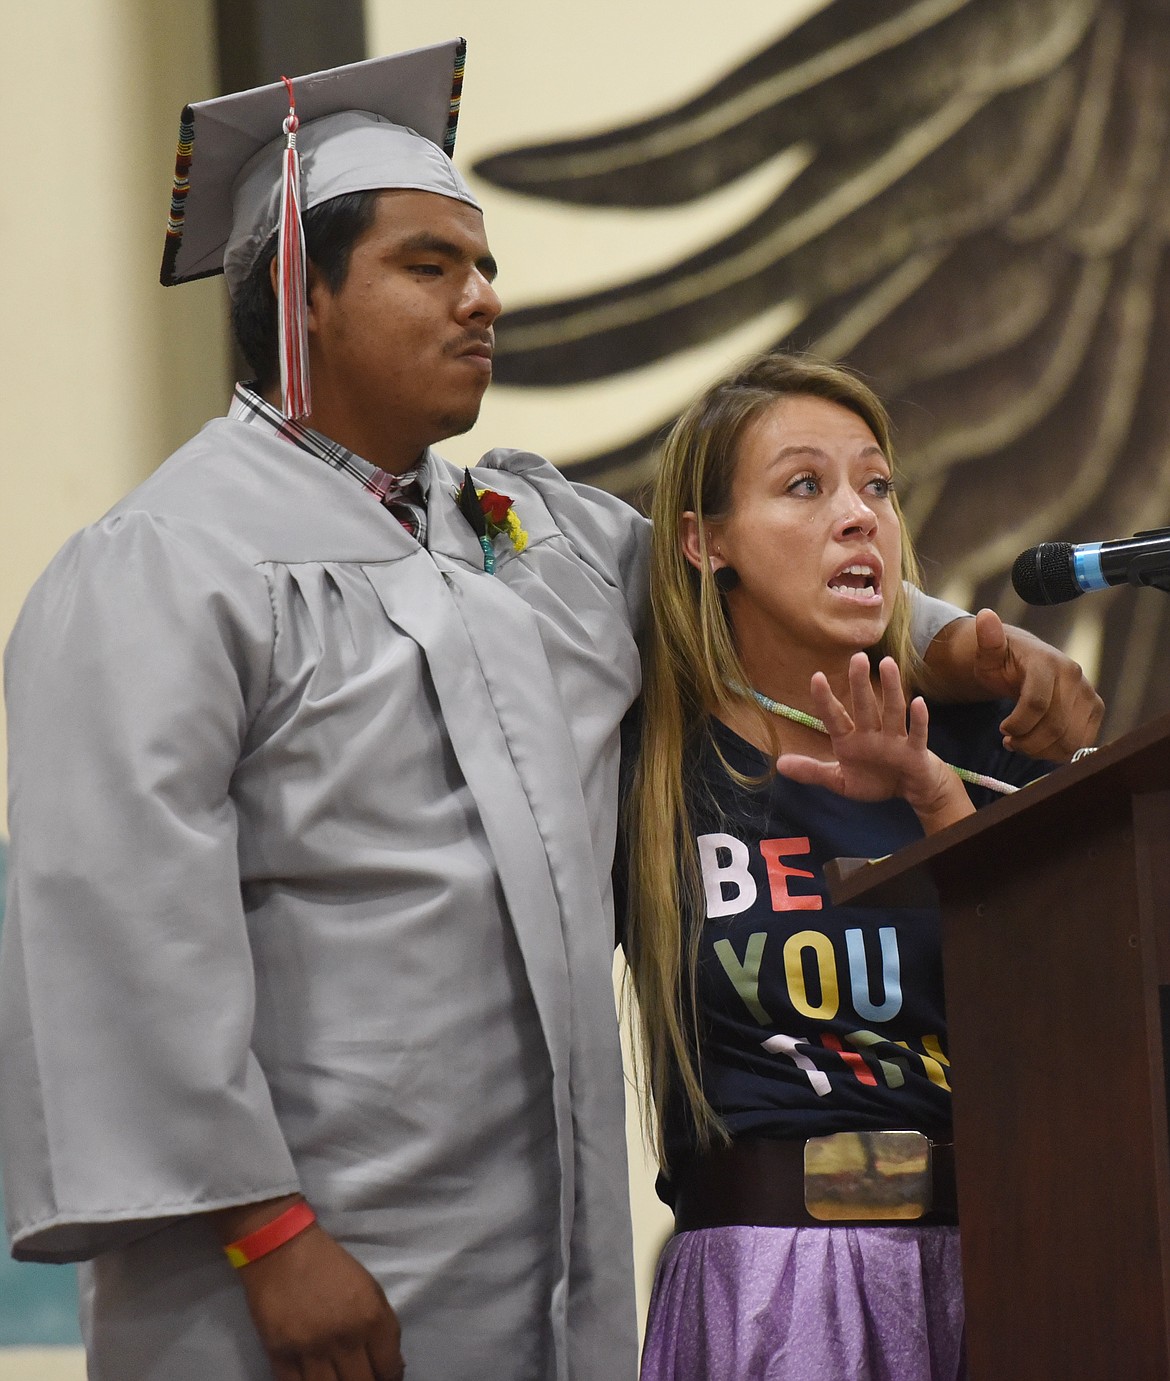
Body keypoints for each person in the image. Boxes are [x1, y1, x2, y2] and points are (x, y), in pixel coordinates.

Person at [0, 45, 1099, 1381]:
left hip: (541, 1247)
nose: (483, 299)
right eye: (429, 266)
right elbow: (121, 915)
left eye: (486, 267)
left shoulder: (526, 532)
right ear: (302, 292)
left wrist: (973, 652)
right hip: (299, 1251)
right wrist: (269, 1233)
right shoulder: (167, 564)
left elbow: (736, 575)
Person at [623, 352, 1063, 1381]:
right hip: (766, 1283)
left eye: (877, 484)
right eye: (805, 486)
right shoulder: (649, 762)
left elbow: (1058, 1004)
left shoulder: (974, 737)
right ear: (704, 541)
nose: (861, 516)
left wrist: (936, 803)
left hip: (1002, 1263)